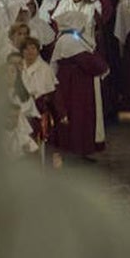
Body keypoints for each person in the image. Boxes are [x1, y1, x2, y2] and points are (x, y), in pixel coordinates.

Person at [50, 11, 109, 159]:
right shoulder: (70, 40)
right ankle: (76, 150)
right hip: (75, 86)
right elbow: (88, 61)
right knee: (78, 117)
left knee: (80, 117)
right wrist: (103, 67)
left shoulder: (68, 38)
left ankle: (80, 150)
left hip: (75, 84)